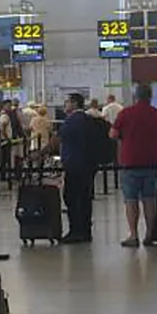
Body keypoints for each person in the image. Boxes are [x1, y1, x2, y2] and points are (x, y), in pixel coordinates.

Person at [111, 83, 157, 247]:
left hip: (130, 162)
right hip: (152, 161)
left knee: (131, 200)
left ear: (135, 96)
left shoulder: (125, 113)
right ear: (150, 96)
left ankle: (134, 235)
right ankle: (150, 234)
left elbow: (113, 134)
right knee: (150, 199)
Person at [57, 93, 97, 243]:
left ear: (74, 103)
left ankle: (76, 231)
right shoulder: (88, 120)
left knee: (72, 197)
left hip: (74, 165)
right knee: (86, 198)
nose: (65, 104)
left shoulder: (72, 120)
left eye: (66, 101)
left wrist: (41, 153)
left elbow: (60, 137)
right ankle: (86, 231)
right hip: (88, 164)